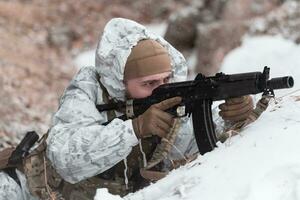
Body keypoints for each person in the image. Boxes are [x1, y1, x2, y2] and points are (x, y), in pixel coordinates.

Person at [0, 18, 253, 200]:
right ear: (121, 82)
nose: (160, 89)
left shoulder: (170, 100)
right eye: (148, 84)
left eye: (165, 79)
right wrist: (134, 128)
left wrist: (234, 117)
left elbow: (197, 143)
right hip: (35, 190)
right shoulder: (90, 89)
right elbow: (65, 158)